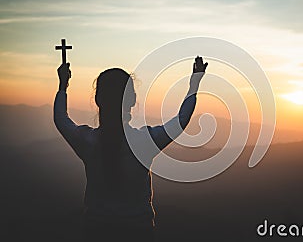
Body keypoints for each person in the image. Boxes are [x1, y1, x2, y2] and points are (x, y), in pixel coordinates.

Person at [54, 57, 207, 241]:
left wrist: (63, 86)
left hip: (96, 231)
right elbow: (180, 121)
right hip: (138, 232)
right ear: (132, 101)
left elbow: (61, 119)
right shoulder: (144, 142)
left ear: (97, 100)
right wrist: (194, 84)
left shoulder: (88, 142)